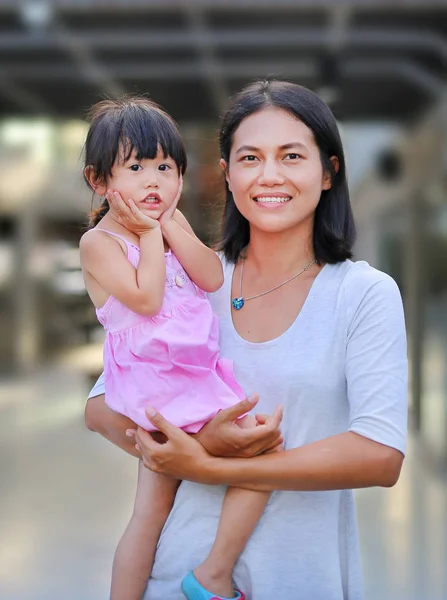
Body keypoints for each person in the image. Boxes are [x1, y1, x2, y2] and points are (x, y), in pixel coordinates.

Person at [86, 80, 408, 600]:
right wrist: (194, 445)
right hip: (173, 578)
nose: (270, 175)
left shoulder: (363, 294)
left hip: (301, 578)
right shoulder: (191, 277)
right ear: (228, 174)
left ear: (328, 172)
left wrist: (206, 466)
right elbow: (101, 408)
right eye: (251, 157)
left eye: (292, 156)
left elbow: (380, 455)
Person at [80, 96, 282, 600]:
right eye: (136, 167)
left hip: (188, 379)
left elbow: (212, 276)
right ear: (99, 181)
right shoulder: (99, 243)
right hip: (155, 386)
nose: (153, 180)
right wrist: (151, 234)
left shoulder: (169, 227)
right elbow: (146, 300)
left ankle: (210, 572)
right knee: (263, 453)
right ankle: (212, 576)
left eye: (165, 167)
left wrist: (172, 228)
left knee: (156, 508)